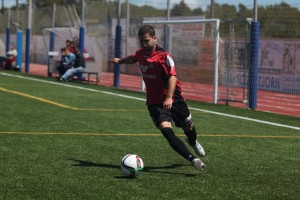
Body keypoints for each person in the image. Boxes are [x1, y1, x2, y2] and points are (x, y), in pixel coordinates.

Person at [111, 25, 206, 170]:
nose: (143, 44)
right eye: (141, 41)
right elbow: (133, 58)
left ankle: (192, 142)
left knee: (189, 127)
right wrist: (121, 61)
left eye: (146, 41)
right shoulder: (141, 53)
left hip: (174, 98)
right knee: (166, 130)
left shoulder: (164, 56)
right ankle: (192, 159)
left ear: (155, 39)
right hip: (155, 102)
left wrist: (168, 97)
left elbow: (172, 77)